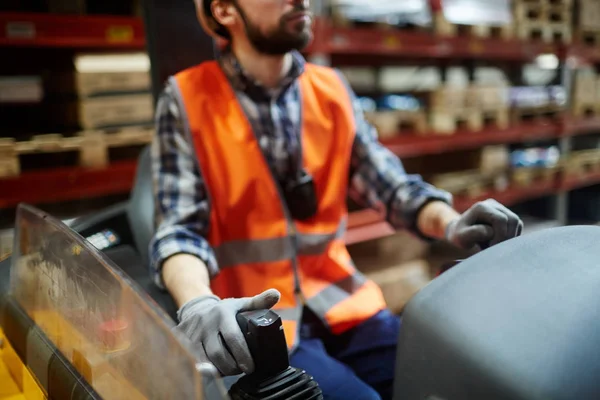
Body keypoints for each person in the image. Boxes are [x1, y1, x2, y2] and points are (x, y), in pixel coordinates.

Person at [149, 0, 524, 398]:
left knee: (440, 382)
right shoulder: (187, 99)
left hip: (343, 302)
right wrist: (197, 305)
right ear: (225, 11)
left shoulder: (330, 89)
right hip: (261, 320)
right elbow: (179, 231)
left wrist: (452, 222)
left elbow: (393, 189)